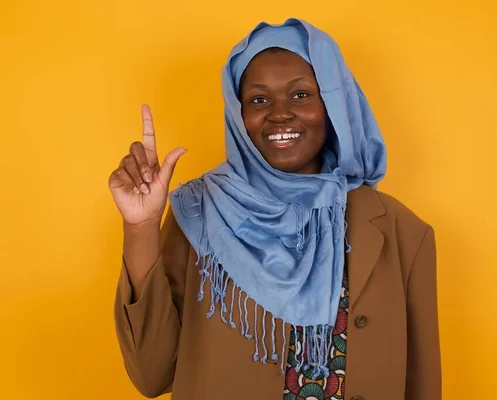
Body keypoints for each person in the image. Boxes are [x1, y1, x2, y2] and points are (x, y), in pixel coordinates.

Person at [109, 18, 441, 400]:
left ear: (332, 105)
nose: (279, 113)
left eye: (301, 95)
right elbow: (152, 375)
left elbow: (422, 383)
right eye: (259, 99)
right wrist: (141, 227)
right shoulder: (198, 214)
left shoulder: (401, 232)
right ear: (239, 114)